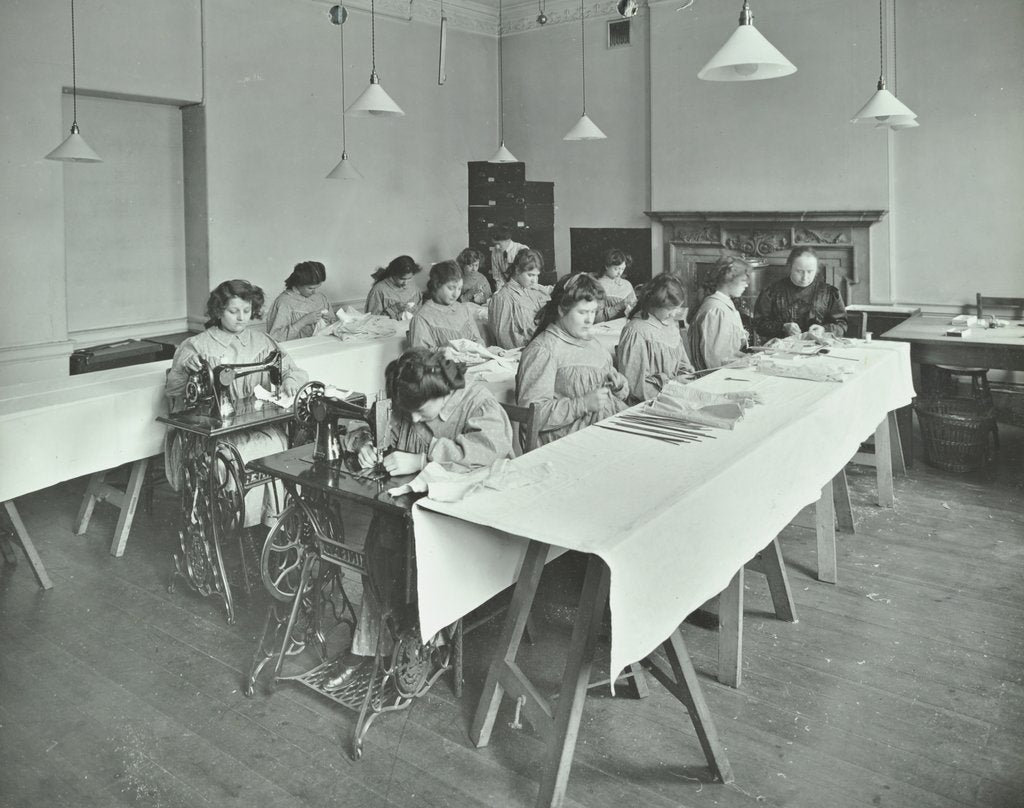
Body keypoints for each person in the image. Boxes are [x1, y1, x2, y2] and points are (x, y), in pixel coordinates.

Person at [326, 348, 514, 687]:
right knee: (383, 538)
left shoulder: (478, 404)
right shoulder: (411, 400)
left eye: (419, 412)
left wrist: (424, 459)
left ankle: (411, 638)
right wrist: (364, 442)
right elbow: (369, 419)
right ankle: (388, 641)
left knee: (398, 546)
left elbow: (488, 454)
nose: (412, 420)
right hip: (418, 512)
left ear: (440, 393)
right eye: (407, 412)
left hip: (472, 519)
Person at [166, 279, 308, 529]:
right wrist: (185, 368)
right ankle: (236, 523)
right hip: (212, 433)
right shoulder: (198, 346)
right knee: (233, 457)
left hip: (251, 424)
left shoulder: (262, 342)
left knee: (278, 445)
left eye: (246, 311)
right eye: (234, 311)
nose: (241, 318)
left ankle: (271, 520)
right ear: (219, 310)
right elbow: (175, 391)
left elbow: (293, 371)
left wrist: (290, 382)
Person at [516, 273, 629, 446]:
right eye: (582, 312)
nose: (589, 320)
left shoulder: (592, 343)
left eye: (593, 312)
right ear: (562, 310)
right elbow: (531, 416)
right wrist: (582, 404)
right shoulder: (544, 350)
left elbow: (614, 396)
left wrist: (618, 385)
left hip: (604, 427)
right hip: (568, 441)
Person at [615, 273, 694, 404]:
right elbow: (635, 386)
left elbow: (681, 361)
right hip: (647, 404)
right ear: (654, 304)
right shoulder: (636, 331)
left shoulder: (669, 325)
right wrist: (671, 383)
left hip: (673, 396)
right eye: (670, 309)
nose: (674, 314)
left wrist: (685, 371)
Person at [753, 246, 848, 340]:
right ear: (790, 267)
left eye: (810, 272)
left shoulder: (829, 293)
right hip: (782, 350)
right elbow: (758, 324)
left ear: (817, 270)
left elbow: (842, 325)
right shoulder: (771, 292)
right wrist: (782, 327)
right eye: (799, 271)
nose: (804, 277)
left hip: (819, 348)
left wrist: (824, 329)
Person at [687, 256, 752, 373]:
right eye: (743, 281)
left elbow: (727, 351)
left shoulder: (724, 303)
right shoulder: (717, 310)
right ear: (728, 279)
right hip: (713, 377)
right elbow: (715, 361)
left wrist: (749, 357)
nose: (746, 285)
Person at [408, 260, 484, 349]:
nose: (456, 294)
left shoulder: (463, 309)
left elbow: (478, 340)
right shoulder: (422, 318)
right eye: (451, 288)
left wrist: (478, 348)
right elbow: (421, 357)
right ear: (437, 285)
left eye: (459, 289)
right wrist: (448, 350)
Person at [487, 248, 551, 349]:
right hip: (522, 354)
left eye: (537, 275)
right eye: (530, 275)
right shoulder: (503, 298)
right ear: (517, 270)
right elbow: (505, 341)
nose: (535, 280)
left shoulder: (531, 290)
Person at [264, 260, 338, 341]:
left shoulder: (320, 298)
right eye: (310, 288)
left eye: (317, 287)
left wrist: (329, 320)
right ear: (298, 283)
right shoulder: (284, 302)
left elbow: (335, 326)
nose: (314, 292)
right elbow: (275, 338)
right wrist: (303, 322)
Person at [365, 255, 423, 320]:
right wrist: (393, 310)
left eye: (409, 278)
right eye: (402, 279)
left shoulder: (414, 288)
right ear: (393, 274)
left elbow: (420, 313)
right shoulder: (379, 290)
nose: (406, 283)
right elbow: (372, 321)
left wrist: (415, 310)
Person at [594, 248, 637, 323]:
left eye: (622, 269)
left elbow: (635, 310)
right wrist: (619, 306)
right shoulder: (597, 285)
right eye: (616, 269)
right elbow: (596, 318)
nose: (620, 273)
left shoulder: (627, 285)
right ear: (607, 266)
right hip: (603, 328)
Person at [487, 225, 529, 292]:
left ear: (507, 240)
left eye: (498, 244)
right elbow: (497, 276)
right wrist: (500, 293)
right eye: (494, 244)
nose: (497, 247)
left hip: (522, 289)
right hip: (506, 290)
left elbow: (526, 277)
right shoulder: (495, 252)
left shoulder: (522, 249)